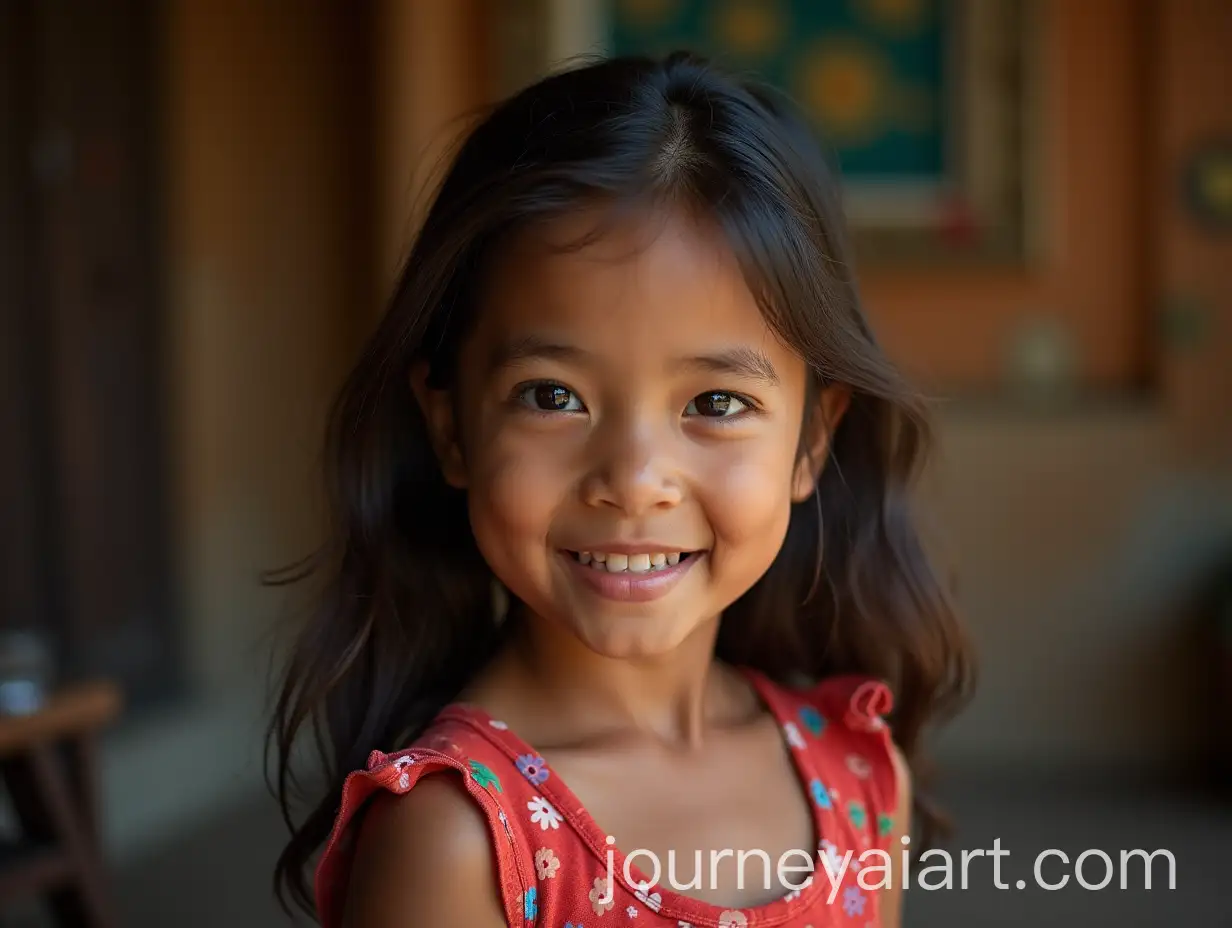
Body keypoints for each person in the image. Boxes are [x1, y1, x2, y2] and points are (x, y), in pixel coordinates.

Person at [267, 51, 974, 928]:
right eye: (552, 396)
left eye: (717, 403)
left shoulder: (861, 775)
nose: (635, 483)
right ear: (451, 427)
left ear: (811, 438)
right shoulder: (457, 843)